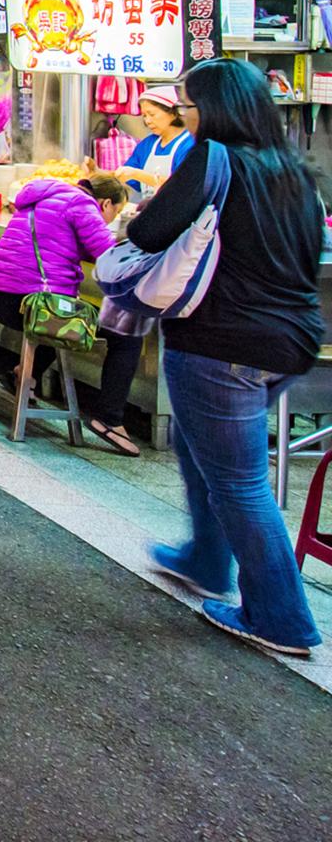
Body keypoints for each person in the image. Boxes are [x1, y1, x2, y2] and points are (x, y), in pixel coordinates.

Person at [130, 58, 324, 656]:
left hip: (222, 343)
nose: (183, 117)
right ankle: (207, 561)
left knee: (239, 483)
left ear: (210, 111)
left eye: (187, 107)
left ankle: (281, 617)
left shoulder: (213, 159)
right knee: (199, 446)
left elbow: (148, 234)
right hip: (290, 340)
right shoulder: (294, 170)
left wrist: (141, 211)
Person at [0, 172, 132, 450]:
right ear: (106, 204)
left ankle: (23, 374)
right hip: (33, 305)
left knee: (67, 312)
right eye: (117, 212)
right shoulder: (82, 206)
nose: (113, 218)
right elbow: (110, 258)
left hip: (1, 297)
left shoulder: (46, 197)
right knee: (125, 333)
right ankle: (109, 419)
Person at [116, 87, 193, 198]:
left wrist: (137, 174)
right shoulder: (147, 144)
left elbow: (182, 185)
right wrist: (98, 172)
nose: (148, 121)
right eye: (144, 116)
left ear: (173, 113)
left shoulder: (188, 145)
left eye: (152, 114)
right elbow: (126, 177)